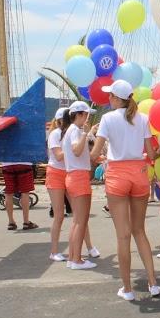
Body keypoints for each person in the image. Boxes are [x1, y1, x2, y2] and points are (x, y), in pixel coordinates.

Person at [90, 80, 160, 300]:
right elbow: (151, 154)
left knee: (123, 236)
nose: (108, 99)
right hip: (139, 173)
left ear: (115, 98)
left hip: (117, 176)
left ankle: (128, 290)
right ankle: (153, 284)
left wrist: (105, 156)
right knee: (139, 231)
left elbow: (93, 155)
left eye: (110, 96)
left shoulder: (107, 119)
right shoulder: (143, 119)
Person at [47, 107, 98, 262]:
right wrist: (71, 145)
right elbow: (60, 155)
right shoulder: (57, 134)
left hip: (70, 173)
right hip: (58, 173)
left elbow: (79, 152)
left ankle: (87, 248)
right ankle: (56, 251)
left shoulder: (73, 131)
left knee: (79, 215)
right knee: (60, 214)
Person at [63, 101, 99, 270]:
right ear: (78, 115)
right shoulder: (75, 131)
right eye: (85, 115)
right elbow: (77, 150)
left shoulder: (72, 130)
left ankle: (73, 258)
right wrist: (85, 133)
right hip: (78, 177)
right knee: (81, 220)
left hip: (74, 176)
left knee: (77, 221)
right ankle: (77, 259)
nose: (87, 118)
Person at [1, 162, 38, 231]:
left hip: (7, 164)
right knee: (25, 192)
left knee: (9, 193)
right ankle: (26, 222)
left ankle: (11, 222)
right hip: (24, 163)